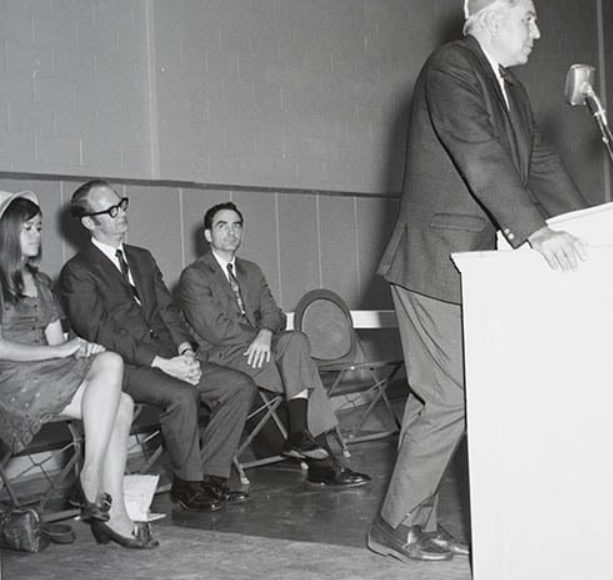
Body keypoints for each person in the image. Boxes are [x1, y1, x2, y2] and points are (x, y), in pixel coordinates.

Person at [367, 0, 588, 562]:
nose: (537, 32)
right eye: (527, 18)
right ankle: (391, 525)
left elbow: (538, 162)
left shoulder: (510, 90)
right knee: (453, 396)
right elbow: (479, 153)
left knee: (435, 398)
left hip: (470, 268)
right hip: (433, 262)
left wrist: (593, 224)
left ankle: (415, 520)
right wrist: (537, 230)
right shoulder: (451, 67)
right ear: (491, 18)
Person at [57, 180, 255, 512]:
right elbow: (102, 333)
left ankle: (212, 477)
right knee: (182, 394)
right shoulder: (77, 272)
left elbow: (167, 310)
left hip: (169, 357)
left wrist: (185, 351)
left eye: (121, 205)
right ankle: (188, 484)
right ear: (89, 222)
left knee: (239, 385)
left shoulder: (142, 258)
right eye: (110, 211)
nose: (121, 214)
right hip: (122, 366)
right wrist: (162, 363)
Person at [0, 190, 157, 549]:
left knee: (118, 386)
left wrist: (80, 347)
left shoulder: (40, 282)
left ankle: (99, 489)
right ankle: (103, 498)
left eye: (39, 227)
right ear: (7, 232)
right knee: (119, 396)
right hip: (11, 379)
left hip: (46, 373)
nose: (38, 235)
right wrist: (59, 351)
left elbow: (57, 340)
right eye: (29, 228)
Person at [178, 202, 370, 488]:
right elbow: (215, 329)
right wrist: (257, 338)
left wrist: (266, 334)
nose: (231, 232)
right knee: (305, 374)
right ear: (208, 235)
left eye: (236, 225)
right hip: (221, 359)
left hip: (259, 352)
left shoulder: (251, 271)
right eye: (222, 225)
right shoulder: (194, 275)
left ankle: (300, 437)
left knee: (296, 342)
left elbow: (274, 313)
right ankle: (322, 461)